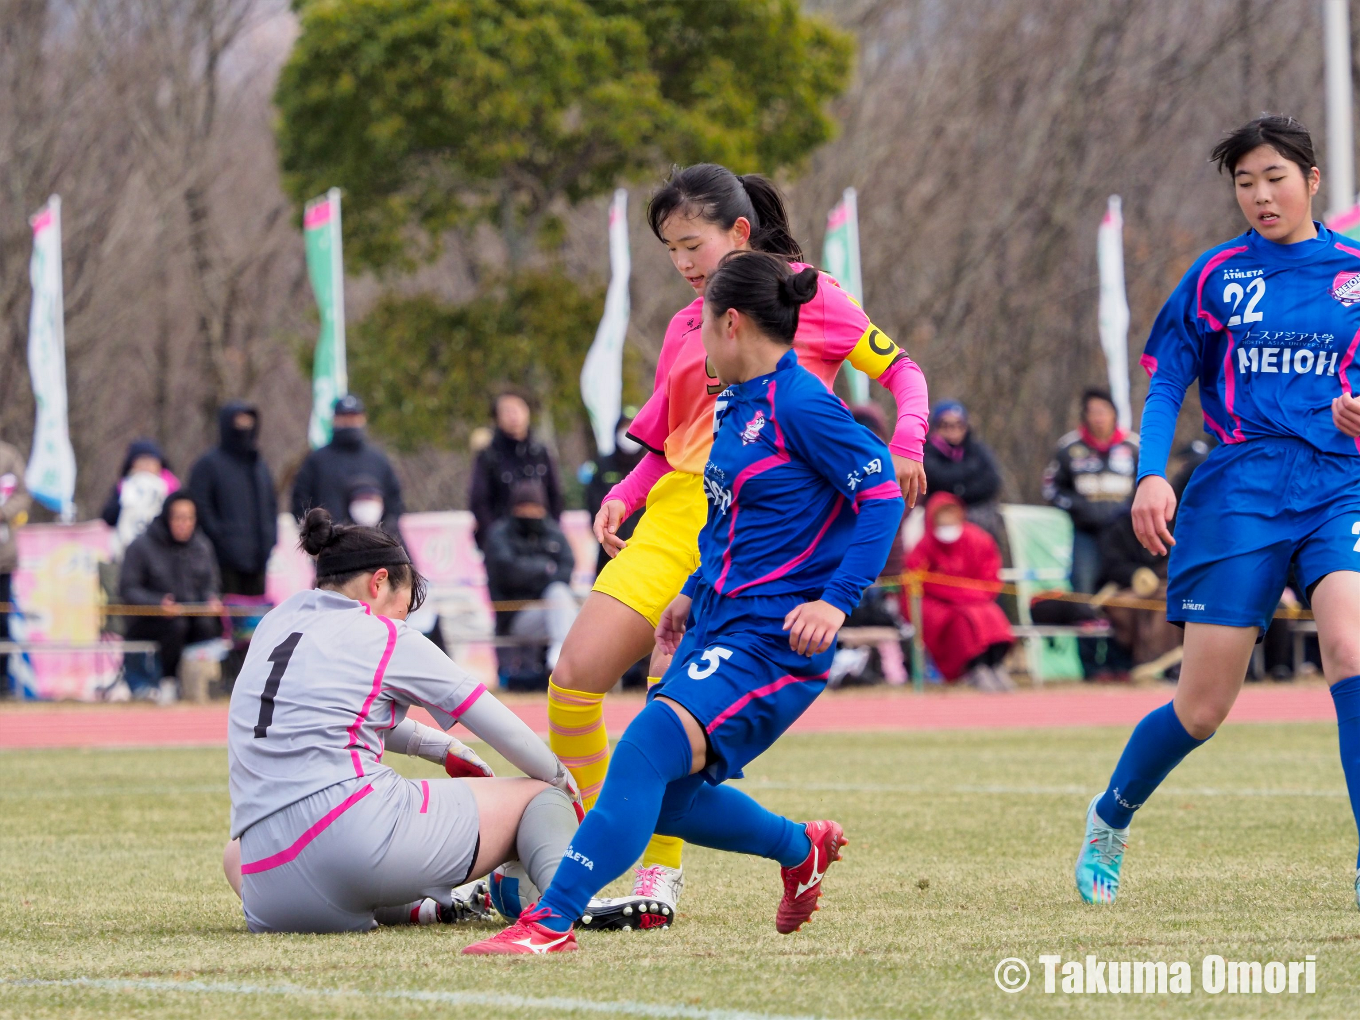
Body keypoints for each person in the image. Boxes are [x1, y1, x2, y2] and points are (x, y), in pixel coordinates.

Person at [462, 253, 905, 954]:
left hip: (772, 641)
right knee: (670, 796)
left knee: (641, 753)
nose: (693, 345)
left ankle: (547, 923)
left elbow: (881, 495)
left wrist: (837, 602)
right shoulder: (736, 405)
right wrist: (691, 594)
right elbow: (731, 523)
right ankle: (800, 848)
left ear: (731, 325)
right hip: (716, 621)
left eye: (699, 330)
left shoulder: (802, 403)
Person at [543, 163, 929, 923]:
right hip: (682, 515)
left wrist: (908, 443)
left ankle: (652, 880)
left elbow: (905, 373)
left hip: (759, 528)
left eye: (693, 245)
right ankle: (596, 845)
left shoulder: (807, 298)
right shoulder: (689, 323)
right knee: (573, 679)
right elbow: (665, 438)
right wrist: (626, 491)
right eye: (671, 251)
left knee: (667, 708)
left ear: (739, 232)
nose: (684, 265)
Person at [1075, 115, 1360, 909]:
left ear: (1311, 180)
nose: (1261, 195)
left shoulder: (1357, 275)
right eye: (1244, 182)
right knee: (1202, 709)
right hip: (1238, 493)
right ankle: (1111, 816)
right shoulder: (1216, 276)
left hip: (1340, 486)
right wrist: (1149, 475)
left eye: (1275, 177)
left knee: (1351, 647)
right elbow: (1168, 380)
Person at [222, 508, 582, 933]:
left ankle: (421, 909)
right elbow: (497, 723)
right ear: (378, 582)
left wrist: (441, 747)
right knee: (539, 797)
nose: (403, 618)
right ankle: (571, 901)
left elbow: (332, 715)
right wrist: (559, 781)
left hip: (267, 885)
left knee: (234, 851)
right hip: (355, 846)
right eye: (403, 604)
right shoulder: (385, 635)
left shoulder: (274, 624)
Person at [119, 492, 223, 698]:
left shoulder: (202, 546)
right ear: (167, 517)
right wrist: (157, 603)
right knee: (176, 625)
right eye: (178, 518)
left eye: (189, 518)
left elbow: (211, 584)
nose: (184, 524)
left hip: (192, 617)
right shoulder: (141, 546)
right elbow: (128, 589)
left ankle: (198, 686)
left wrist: (211, 599)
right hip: (149, 620)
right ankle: (167, 682)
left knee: (208, 625)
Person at [905, 493, 1014, 689]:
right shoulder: (925, 546)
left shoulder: (978, 540)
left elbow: (990, 577)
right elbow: (917, 581)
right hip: (942, 604)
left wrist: (970, 595)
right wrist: (958, 595)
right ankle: (974, 667)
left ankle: (994, 664)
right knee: (963, 621)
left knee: (993, 616)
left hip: (977, 600)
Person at [483, 479, 579, 688]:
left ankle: (561, 659)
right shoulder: (499, 535)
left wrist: (536, 576)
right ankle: (563, 662)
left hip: (552, 611)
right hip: (516, 616)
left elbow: (566, 567)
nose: (530, 515)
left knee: (565, 597)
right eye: (524, 509)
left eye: (535, 509)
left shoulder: (553, 532)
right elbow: (508, 573)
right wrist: (544, 570)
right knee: (558, 595)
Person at [1043, 389, 1139, 594]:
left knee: (1130, 589)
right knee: (1083, 587)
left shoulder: (1134, 446)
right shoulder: (1069, 447)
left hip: (1126, 534)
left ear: (1114, 413)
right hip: (1087, 532)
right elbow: (1050, 488)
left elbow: (1149, 485)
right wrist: (1077, 507)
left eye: (1103, 411)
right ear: (1085, 416)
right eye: (1093, 412)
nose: (1099, 418)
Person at [189, 402, 278, 597]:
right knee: (227, 619)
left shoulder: (259, 466)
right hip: (221, 561)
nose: (244, 428)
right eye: (239, 422)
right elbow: (201, 507)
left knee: (254, 619)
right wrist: (221, 539)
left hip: (259, 558)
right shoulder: (208, 465)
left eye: (249, 422)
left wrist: (270, 539)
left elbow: (270, 505)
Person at [290, 395, 405, 539]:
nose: (350, 422)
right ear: (334, 419)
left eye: (354, 416)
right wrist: (318, 538)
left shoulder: (378, 460)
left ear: (364, 418)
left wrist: (384, 534)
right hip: (331, 548)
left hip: (373, 547)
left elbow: (394, 503)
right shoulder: (316, 461)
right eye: (345, 417)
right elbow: (300, 502)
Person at [468, 391, 563, 550]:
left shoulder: (540, 453)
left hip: (541, 540)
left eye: (518, 409)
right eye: (507, 411)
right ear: (497, 418)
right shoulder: (489, 456)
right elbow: (479, 501)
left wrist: (552, 532)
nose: (513, 416)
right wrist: (494, 537)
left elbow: (555, 495)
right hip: (502, 542)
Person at [922, 400, 1004, 539]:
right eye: (946, 425)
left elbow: (992, 482)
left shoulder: (977, 449)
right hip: (939, 514)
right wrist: (969, 471)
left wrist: (961, 491)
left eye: (958, 425)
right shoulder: (927, 451)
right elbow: (938, 478)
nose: (953, 430)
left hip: (976, 511)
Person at [99, 439, 180, 557]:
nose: (146, 467)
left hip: (163, 552)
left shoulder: (171, 488)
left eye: (150, 462)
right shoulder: (124, 487)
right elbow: (108, 517)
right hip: (128, 552)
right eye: (142, 463)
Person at [0, 439, 31, 688]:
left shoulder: (8, 455)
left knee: (1, 621)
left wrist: (3, 512)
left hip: (2, 557)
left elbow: (22, 494)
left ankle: (2, 681)